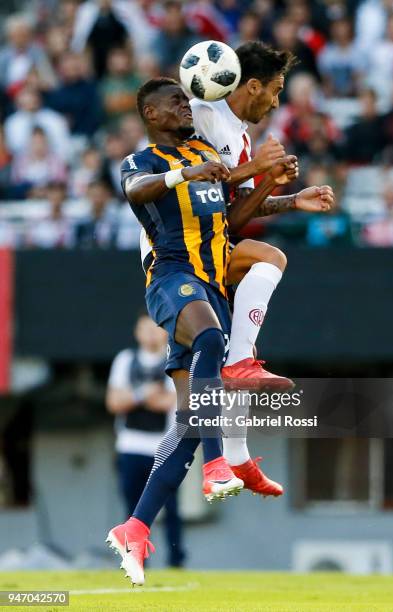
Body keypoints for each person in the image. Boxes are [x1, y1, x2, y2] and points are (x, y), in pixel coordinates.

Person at [106, 77, 334, 585]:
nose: (185, 107)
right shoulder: (143, 162)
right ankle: (221, 463)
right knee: (211, 342)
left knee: (189, 423)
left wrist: (289, 197)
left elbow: (230, 215)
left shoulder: (205, 153)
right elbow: (134, 192)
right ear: (151, 114)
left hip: (209, 284)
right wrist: (189, 172)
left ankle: (135, 528)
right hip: (170, 278)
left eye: (186, 100)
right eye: (174, 103)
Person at [106, 314, 185, 568]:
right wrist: (143, 394)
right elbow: (114, 402)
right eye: (144, 328)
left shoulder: (174, 362)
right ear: (137, 332)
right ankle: (136, 558)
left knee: (171, 509)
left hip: (163, 448)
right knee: (132, 508)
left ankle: (176, 560)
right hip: (130, 447)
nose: (150, 333)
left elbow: (167, 402)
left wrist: (135, 397)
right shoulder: (125, 360)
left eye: (155, 328)